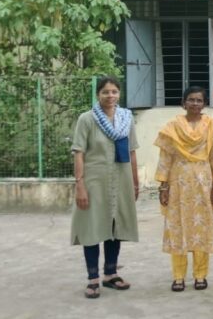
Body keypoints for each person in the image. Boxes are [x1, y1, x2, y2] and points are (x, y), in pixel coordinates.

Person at [70, 77, 140, 299]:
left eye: (114, 92)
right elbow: (78, 152)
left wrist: (135, 182)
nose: (110, 96)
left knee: (115, 227)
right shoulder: (87, 119)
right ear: (98, 94)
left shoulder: (126, 118)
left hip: (121, 180)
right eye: (105, 92)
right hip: (94, 182)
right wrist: (80, 185)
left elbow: (132, 151)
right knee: (91, 228)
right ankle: (93, 279)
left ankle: (110, 274)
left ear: (119, 94)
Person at [155, 86, 213, 292]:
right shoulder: (172, 127)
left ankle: (200, 275)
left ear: (204, 104)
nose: (195, 103)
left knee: (201, 228)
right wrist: (163, 186)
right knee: (177, 227)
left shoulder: (212, 126)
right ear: (183, 103)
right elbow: (165, 157)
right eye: (191, 100)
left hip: (203, 181)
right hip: (178, 181)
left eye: (199, 100)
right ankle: (178, 276)